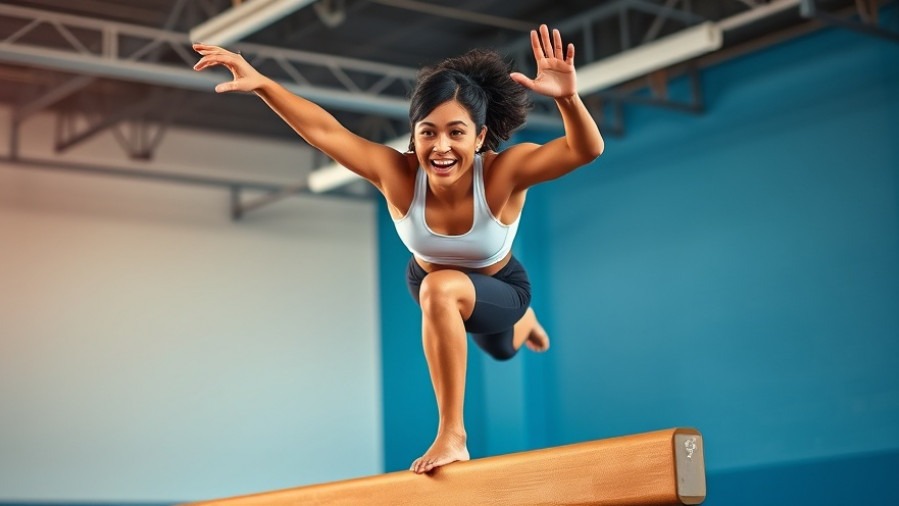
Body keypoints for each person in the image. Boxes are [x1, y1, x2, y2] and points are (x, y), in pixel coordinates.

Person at [193, 23, 603, 475]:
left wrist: (567, 98)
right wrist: (265, 85)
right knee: (447, 297)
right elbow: (325, 132)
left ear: (481, 137)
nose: (441, 147)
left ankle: (455, 431)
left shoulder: (504, 173)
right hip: (429, 285)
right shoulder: (398, 174)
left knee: (493, 339)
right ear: (414, 134)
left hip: (499, 287)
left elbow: (584, 150)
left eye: (456, 133)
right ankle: (516, 333)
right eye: (427, 132)